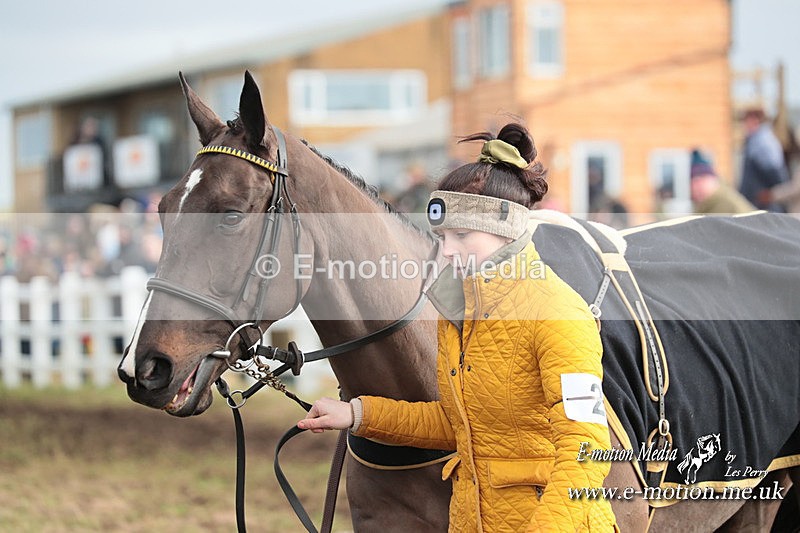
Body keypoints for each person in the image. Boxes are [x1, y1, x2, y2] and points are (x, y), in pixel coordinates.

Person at [299, 123, 618, 531]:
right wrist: (356, 414)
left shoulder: (558, 314)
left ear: (504, 232)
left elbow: (586, 448)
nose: (446, 251)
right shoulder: (461, 316)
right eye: (443, 236)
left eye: (462, 235)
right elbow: (458, 424)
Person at [738, 108, 790, 211]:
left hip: (763, 202)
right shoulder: (755, 140)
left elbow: (774, 172)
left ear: (755, 121)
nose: (744, 125)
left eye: (746, 121)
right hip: (756, 200)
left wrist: (772, 194)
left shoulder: (763, 142)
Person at [689, 149, 755, 215]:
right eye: (693, 182)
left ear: (713, 179)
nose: (696, 187)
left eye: (701, 179)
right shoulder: (710, 202)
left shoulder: (723, 204)